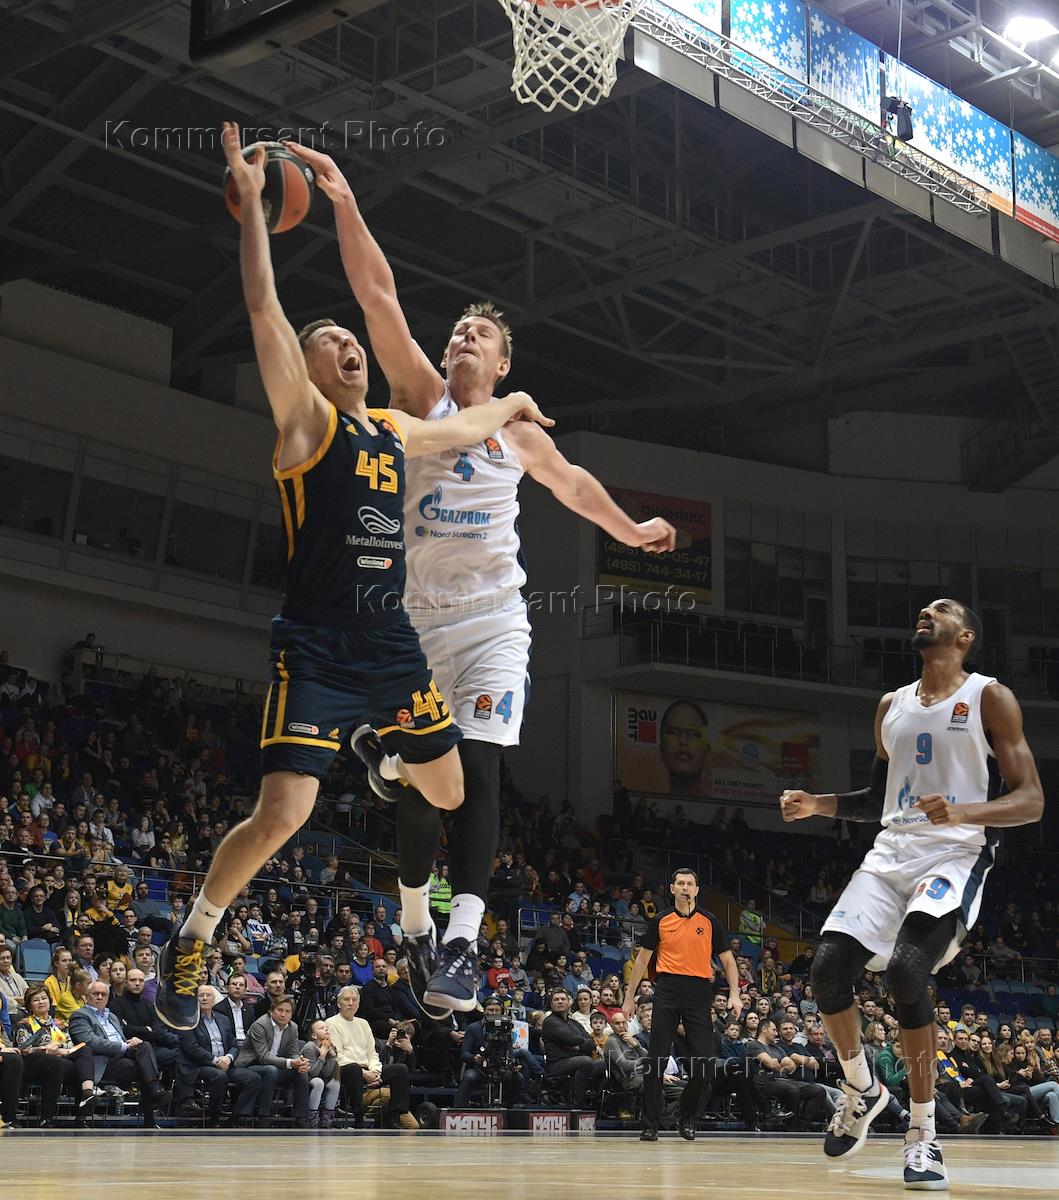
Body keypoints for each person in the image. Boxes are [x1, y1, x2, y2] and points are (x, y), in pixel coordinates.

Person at [154, 123, 553, 1034]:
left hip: (392, 647)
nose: (350, 347)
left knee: (450, 791)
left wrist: (512, 402)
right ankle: (195, 931)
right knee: (283, 813)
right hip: (317, 649)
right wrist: (252, 212)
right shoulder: (305, 423)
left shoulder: (392, 429)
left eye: (351, 340)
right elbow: (262, 306)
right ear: (305, 368)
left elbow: (465, 428)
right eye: (331, 341)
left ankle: (386, 771)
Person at [285, 138, 676, 1016]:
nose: (465, 335)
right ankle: (412, 914)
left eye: (483, 334)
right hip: (415, 624)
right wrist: (345, 201)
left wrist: (631, 529)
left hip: (494, 622)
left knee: (480, 770)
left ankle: (460, 942)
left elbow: (573, 487)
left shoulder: (519, 433)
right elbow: (376, 294)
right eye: (459, 328)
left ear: (502, 368)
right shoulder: (419, 396)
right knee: (423, 789)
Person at [781, 597, 1044, 1189]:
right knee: (826, 969)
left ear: (966, 636)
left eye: (942, 608)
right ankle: (862, 1087)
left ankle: (923, 1133)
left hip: (955, 852)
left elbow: (1032, 800)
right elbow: (879, 801)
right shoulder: (890, 706)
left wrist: (963, 812)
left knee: (906, 971)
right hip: (891, 852)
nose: (927, 610)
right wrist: (819, 804)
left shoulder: (988, 697)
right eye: (925, 607)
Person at [622, 868, 741, 1141]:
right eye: (680, 883)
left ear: (696, 890)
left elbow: (727, 960)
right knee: (656, 1061)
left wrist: (734, 993)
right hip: (667, 989)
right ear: (672, 888)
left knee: (705, 1065)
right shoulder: (660, 920)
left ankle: (685, 1115)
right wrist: (628, 998)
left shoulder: (709, 921)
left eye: (690, 884)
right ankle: (650, 1124)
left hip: (699, 992)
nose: (685, 887)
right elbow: (642, 961)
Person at [69, 980, 169, 1127]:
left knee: (144, 1046)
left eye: (103, 994)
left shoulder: (112, 1017)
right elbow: (90, 1042)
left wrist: (131, 1041)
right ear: (87, 996)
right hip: (102, 1061)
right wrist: (123, 1046)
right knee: (145, 1068)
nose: (100, 997)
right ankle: (152, 1103)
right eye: (96, 994)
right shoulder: (80, 1015)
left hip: (122, 1056)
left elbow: (121, 1038)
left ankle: (154, 1092)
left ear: (108, 997)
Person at [326, 985, 417, 1128]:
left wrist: (375, 1071)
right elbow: (338, 1056)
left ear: (358, 1003)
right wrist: (365, 1073)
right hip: (344, 1069)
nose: (351, 1003)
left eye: (354, 1000)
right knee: (354, 1068)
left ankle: (393, 1117)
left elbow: (372, 1053)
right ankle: (358, 1118)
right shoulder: (331, 1023)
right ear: (339, 1004)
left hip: (368, 1069)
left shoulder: (363, 1023)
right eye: (346, 999)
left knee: (401, 1070)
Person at [177, 984, 266, 1128]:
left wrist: (229, 1057)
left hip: (224, 1064)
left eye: (208, 995)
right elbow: (191, 1048)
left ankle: (237, 1118)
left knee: (253, 1078)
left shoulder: (223, 1019)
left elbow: (234, 1044)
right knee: (219, 1076)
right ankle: (214, 1118)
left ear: (214, 999)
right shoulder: (188, 1020)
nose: (204, 998)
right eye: (201, 995)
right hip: (199, 1066)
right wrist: (215, 1060)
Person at [15, 984, 101, 1126]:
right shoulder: (24, 1024)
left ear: (49, 1001)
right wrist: (44, 1049)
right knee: (56, 1063)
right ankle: (46, 1118)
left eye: (44, 998)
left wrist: (59, 1048)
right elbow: (23, 1048)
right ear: (29, 1005)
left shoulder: (60, 1024)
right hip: (33, 1062)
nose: (41, 1002)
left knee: (84, 1051)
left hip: (60, 1058)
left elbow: (69, 1045)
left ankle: (87, 1095)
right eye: (36, 1000)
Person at [233, 993, 311, 1128]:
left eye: (287, 1011)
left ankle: (301, 1117)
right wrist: (290, 1063)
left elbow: (293, 1052)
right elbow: (263, 1057)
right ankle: (264, 1115)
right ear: (271, 1011)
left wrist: (299, 1062)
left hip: (277, 1066)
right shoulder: (260, 1025)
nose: (283, 1014)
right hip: (252, 1065)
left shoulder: (293, 1027)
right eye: (280, 1010)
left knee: (301, 1072)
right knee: (271, 1070)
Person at [454, 995, 528, 1107]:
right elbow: (464, 1054)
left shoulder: (506, 1029)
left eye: (496, 1010)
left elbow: (510, 1051)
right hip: (480, 1068)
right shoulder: (473, 1028)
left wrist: (513, 1064)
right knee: (469, 1077)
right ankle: (458, 1109)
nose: (493, 1013)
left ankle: (508, 1108)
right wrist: (474, 1058)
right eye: (490, 1010)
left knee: (519, 1078)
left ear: (502, 1011)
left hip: (501, 1067)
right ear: (484, 1011)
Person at [302, 1019, 341, 1129]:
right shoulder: (309, 1047)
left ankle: (326, 1120)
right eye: (321, 1028)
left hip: (320, 1076)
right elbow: (313, 1073)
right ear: (314, 1036)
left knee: (335, 1083)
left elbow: (326, 1074)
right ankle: (312, 1119)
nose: (326, 1030)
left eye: (326, 1028)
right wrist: (322, 1056)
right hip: (305, 1076)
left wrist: (332, 1057)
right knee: (318, 1082)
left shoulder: (329, 1045)